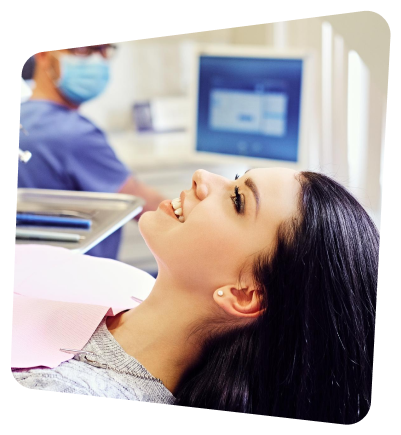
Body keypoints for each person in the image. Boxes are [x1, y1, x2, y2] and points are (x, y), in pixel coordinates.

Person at [12, 167, 379, 424]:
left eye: (237, 199)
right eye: (236, 177)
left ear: (242, 295)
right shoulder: (126, 283)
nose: (202, 177)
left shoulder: (72, 392)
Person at [18, 45, 165, 259]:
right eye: (83, 50)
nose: (97, 61)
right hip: (79, 278)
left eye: (104, 51)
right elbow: (149, 208)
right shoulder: (75, 134)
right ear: (42, 53)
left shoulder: (22, 116)